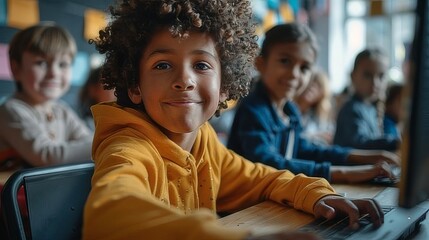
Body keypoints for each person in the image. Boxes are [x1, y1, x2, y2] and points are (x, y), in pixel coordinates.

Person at [82, 1, 386, 240]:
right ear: (135, 85)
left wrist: (317, 195)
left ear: (224, 85)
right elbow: (109, 214)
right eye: (163, 65)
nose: (184, 80)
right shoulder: (127, 146)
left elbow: (263, 178)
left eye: (201, 64)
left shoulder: (204, 144)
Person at [227, 23, 399, 184]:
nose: (295, 74)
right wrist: (346, 173)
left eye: (304, 68)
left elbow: (306, 150)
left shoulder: (290, 111)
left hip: (274, 198)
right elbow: (269, 164)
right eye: (285, 61)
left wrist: (365, 157)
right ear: (260, 64)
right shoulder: (253, 109)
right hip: (247, 208)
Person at [0, 23, 93, 171]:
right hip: (14, 193)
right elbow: (46, 155)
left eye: (63, 64)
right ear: (16, 68)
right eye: (41, 63)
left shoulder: (61, 109)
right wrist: (106, 143)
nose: (54, 73)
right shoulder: (11, 110)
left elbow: (88, 140)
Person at [333, 48, 401, 151]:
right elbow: (360, 144)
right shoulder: (351, 110)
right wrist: (396, 143)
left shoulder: (370, 109)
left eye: (381, 76)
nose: (375, 83)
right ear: (352, 76)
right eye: (367, 75)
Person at [295, 68, 335, 145]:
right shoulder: (288, 109)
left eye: (318, 85)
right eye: (310, 82)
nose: (311, 87)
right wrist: (314, 136)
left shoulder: (320, 117)